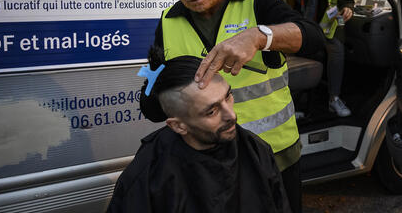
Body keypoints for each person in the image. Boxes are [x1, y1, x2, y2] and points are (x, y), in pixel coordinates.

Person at [139, 0, 325, 213]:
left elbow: (312, 38)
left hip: (276, 155)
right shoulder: (168, 22)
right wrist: (154, 90)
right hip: (210, 163)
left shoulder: (256, 2)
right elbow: (153, 100)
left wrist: (259, 37)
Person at [108, 50, 292, 212]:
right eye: (212, 111)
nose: (232, 115)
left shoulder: (255, 150)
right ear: (178, 126)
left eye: (228, 96)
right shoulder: (147, 179)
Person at [281, 0, 355, 117]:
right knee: (290, 55)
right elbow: (286, 2)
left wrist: (348, 8)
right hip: (299, 24)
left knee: (337, 48)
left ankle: (334, 99)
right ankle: (290, 103)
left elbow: (346, 0)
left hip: (326, 27)